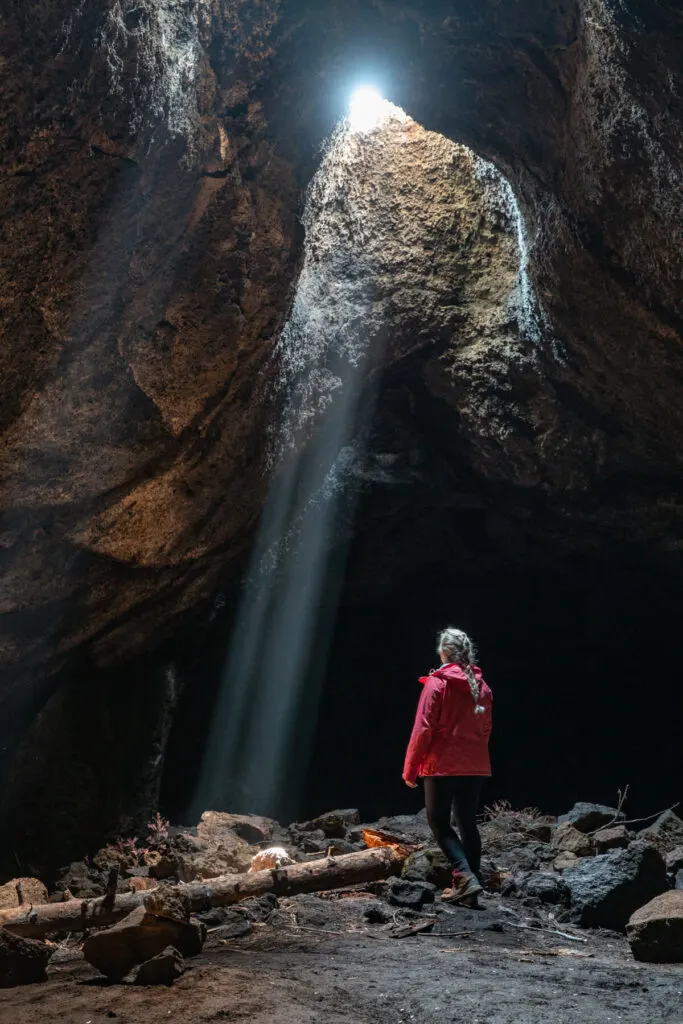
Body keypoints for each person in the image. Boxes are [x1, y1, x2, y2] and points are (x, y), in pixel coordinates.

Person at [403, 627, 493, 905]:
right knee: (467, 822)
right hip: (475, 764)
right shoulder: (483, 687)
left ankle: (465, 876)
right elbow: (486, 728)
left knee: (439, 822)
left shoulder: (437, 683)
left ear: (443, 652)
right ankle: (470, 885)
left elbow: (423, 728)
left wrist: (410, 768)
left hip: (442, 764)